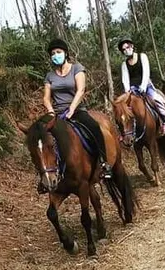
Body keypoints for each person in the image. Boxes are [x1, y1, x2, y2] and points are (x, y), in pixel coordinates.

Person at [43, 38, 113, 180]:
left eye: (58, 52)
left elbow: (80, 90)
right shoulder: (49, 76)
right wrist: (51, 111)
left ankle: (104, 163)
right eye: (53, 53)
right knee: (43, 138)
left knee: (94, 127)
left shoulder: (77, 68)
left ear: (65, 53)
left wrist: (72, 109)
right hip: (57, 113)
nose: (55, 55)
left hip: (76, 110)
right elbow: (46, 98)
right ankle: (48, 173)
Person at [118, 37, 165, 136]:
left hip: (145, 86)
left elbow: (146, 72)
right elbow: (125, 80)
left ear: (132, 46)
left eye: (127, 47)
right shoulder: (124, 64)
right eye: (124, 49)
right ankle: (126, 132)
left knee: (157, 100)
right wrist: (127, 91)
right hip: (132, 89)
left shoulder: (142, 57)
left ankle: (164, 124)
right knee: (123, 109)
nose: (126, 50)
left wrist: (143, 86)